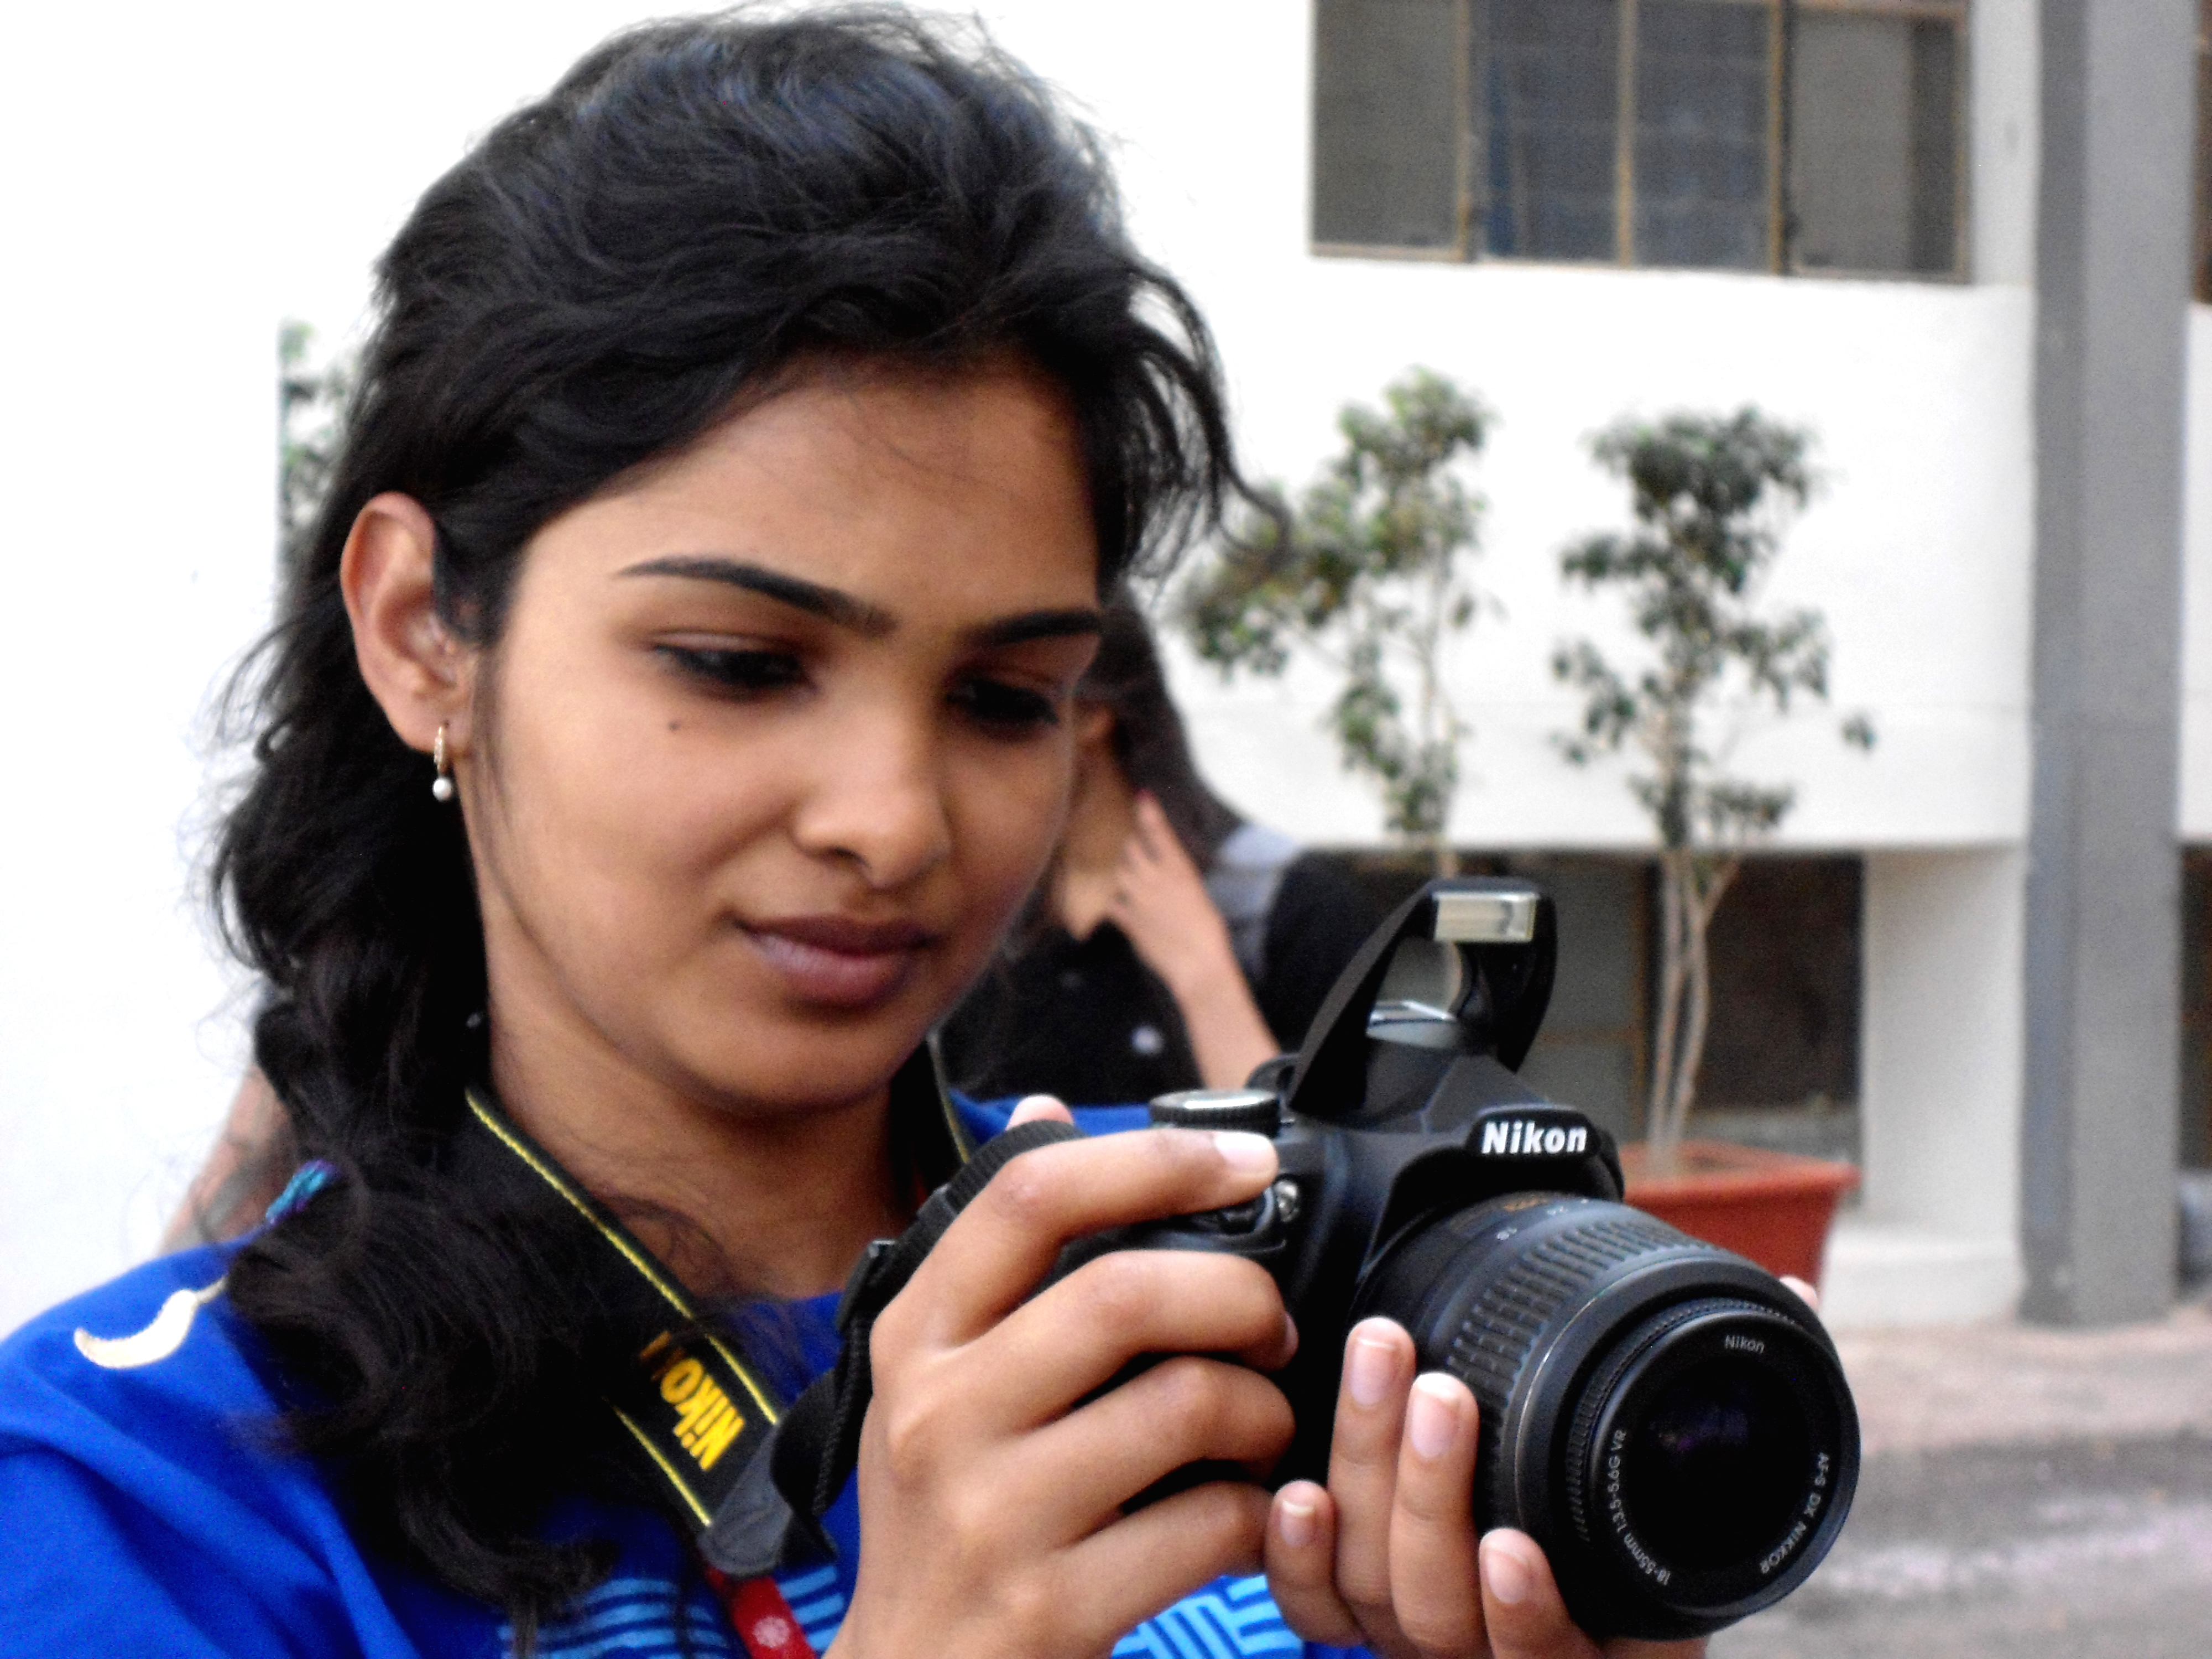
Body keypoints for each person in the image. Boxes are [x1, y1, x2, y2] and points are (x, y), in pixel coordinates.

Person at [0, 13, 1708, 1659]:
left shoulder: (1225, 1282)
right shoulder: (133, 1494)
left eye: (1005, 698)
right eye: (740, 665)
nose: (891, 824)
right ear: (420, 634)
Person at [938, 601, 1384, 1103]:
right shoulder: (982, 917)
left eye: (1000, 703)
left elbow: (1333, 1144)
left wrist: (1203, 976)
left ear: (1091, 716)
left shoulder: (1290, 909)